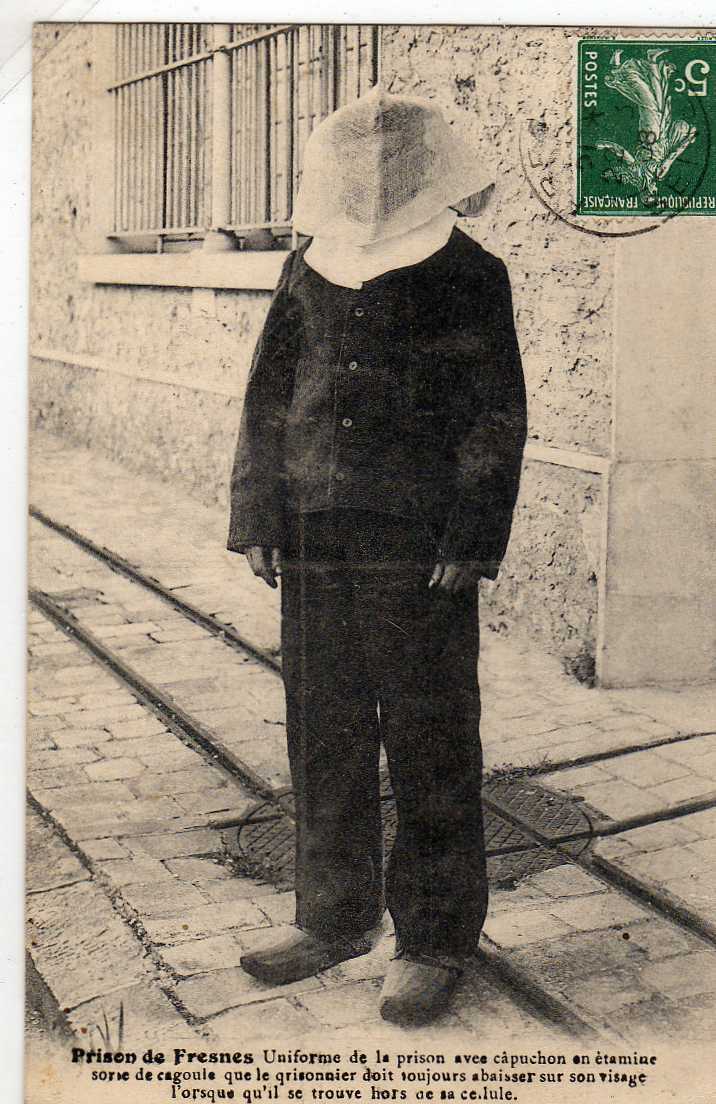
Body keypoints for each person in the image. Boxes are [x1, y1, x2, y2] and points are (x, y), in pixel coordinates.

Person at [227, 87, 527, 1025]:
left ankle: (436, 935)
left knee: (431, 735)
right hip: (315, 534)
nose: (376, 178)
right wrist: (260, 514)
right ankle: (332, 916)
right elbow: (269, 396)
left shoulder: (468, 272)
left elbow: (494, 414)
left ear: (429, 167)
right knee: (324, 728)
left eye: (397, 161)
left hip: (418, 545)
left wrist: (470, 536)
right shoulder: (308, 266)